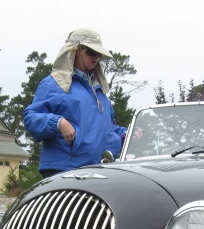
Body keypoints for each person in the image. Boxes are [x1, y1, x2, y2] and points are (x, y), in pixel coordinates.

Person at [24, 29, 134, 179]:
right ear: (75, 51)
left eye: (99, 53)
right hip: (63, 171)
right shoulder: (54, 83)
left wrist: (125, 134)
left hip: (98, 170)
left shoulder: (99, 90)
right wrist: (58, 122)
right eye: (91, 52)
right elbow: (31, 117)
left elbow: (101, 127)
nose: (97, 57)